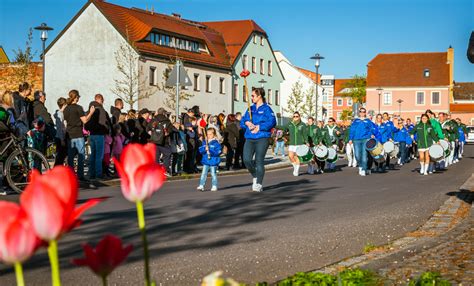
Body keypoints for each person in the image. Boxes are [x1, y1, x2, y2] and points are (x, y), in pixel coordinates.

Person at [241, 88, 276, 192]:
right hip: (250, 137)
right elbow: (243, 121)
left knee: (259, 161)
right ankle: (255, 175)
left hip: (262, 137)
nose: (251, 98)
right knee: (246, 160)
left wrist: (259, 127)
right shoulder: (250, 108)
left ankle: (259, 183)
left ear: (259, 96)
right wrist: (247, 123)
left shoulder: (267, 109)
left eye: (253, 96)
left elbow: (272, 122)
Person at [63, 90, 95, 180]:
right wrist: (91, 113)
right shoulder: (78, 108)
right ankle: (80, 176)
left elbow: (65, 123)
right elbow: (85, 120)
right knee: (81, 156)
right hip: (78, 134)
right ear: (76, 97)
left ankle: (71, 176)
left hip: (69, 134)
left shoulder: (66, 108)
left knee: (70, 157)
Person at [85, 94, 111, 180]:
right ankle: (98, 174)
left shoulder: (90, 110)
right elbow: (104, 123)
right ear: (99, 100)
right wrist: (106, 129)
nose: (103, 102)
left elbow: (86, 123)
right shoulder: (101, 110)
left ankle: (92, 174)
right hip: (99, 135)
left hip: (91, 135)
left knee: (92, 155)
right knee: (99, 156)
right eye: (102, 100)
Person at [349, 108, 377, 176]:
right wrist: (350, 139)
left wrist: (372, 134)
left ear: (365, 113)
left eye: (363, 112)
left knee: (364, 155)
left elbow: (371, 129)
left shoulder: (368, 121)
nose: (362, 113)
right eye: (361, 112)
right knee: (357, 155)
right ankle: (361, 166)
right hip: (356, 140)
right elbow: (352, 130)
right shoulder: (356, 121)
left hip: (365, 139)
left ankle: (364, 169)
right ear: (359, 113)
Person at [148, 107, 174, 176]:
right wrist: (167, 133)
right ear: (163, 113)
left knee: (156, 156)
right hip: (164, 141)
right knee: (167, 154)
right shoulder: (167, 121)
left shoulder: (153, 120)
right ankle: (165, 170)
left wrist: (151, 133)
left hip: (154, 141)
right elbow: (170, 130)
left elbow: (147, 128)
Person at [284, 111, 308, 176]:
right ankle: (295, 166)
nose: (295, 117)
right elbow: (284, 128)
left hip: (299, 143)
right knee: (290, 156)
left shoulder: (302, 124)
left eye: (296, 116)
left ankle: (296, 170)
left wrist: (307, 142)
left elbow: (305, 134)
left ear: (299, 117)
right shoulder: (290, 124)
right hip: (292, 143)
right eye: (294, 116)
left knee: (297, 157)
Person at [53, 97, 68, 166]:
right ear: (64, 105)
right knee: (60, 157)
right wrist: (62, 139)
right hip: (60, 137)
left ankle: (58, 170)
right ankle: (56, 171)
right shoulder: (60, 114)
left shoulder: (61, 114)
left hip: (60, 137)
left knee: (61, 156)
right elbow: (60, 128)